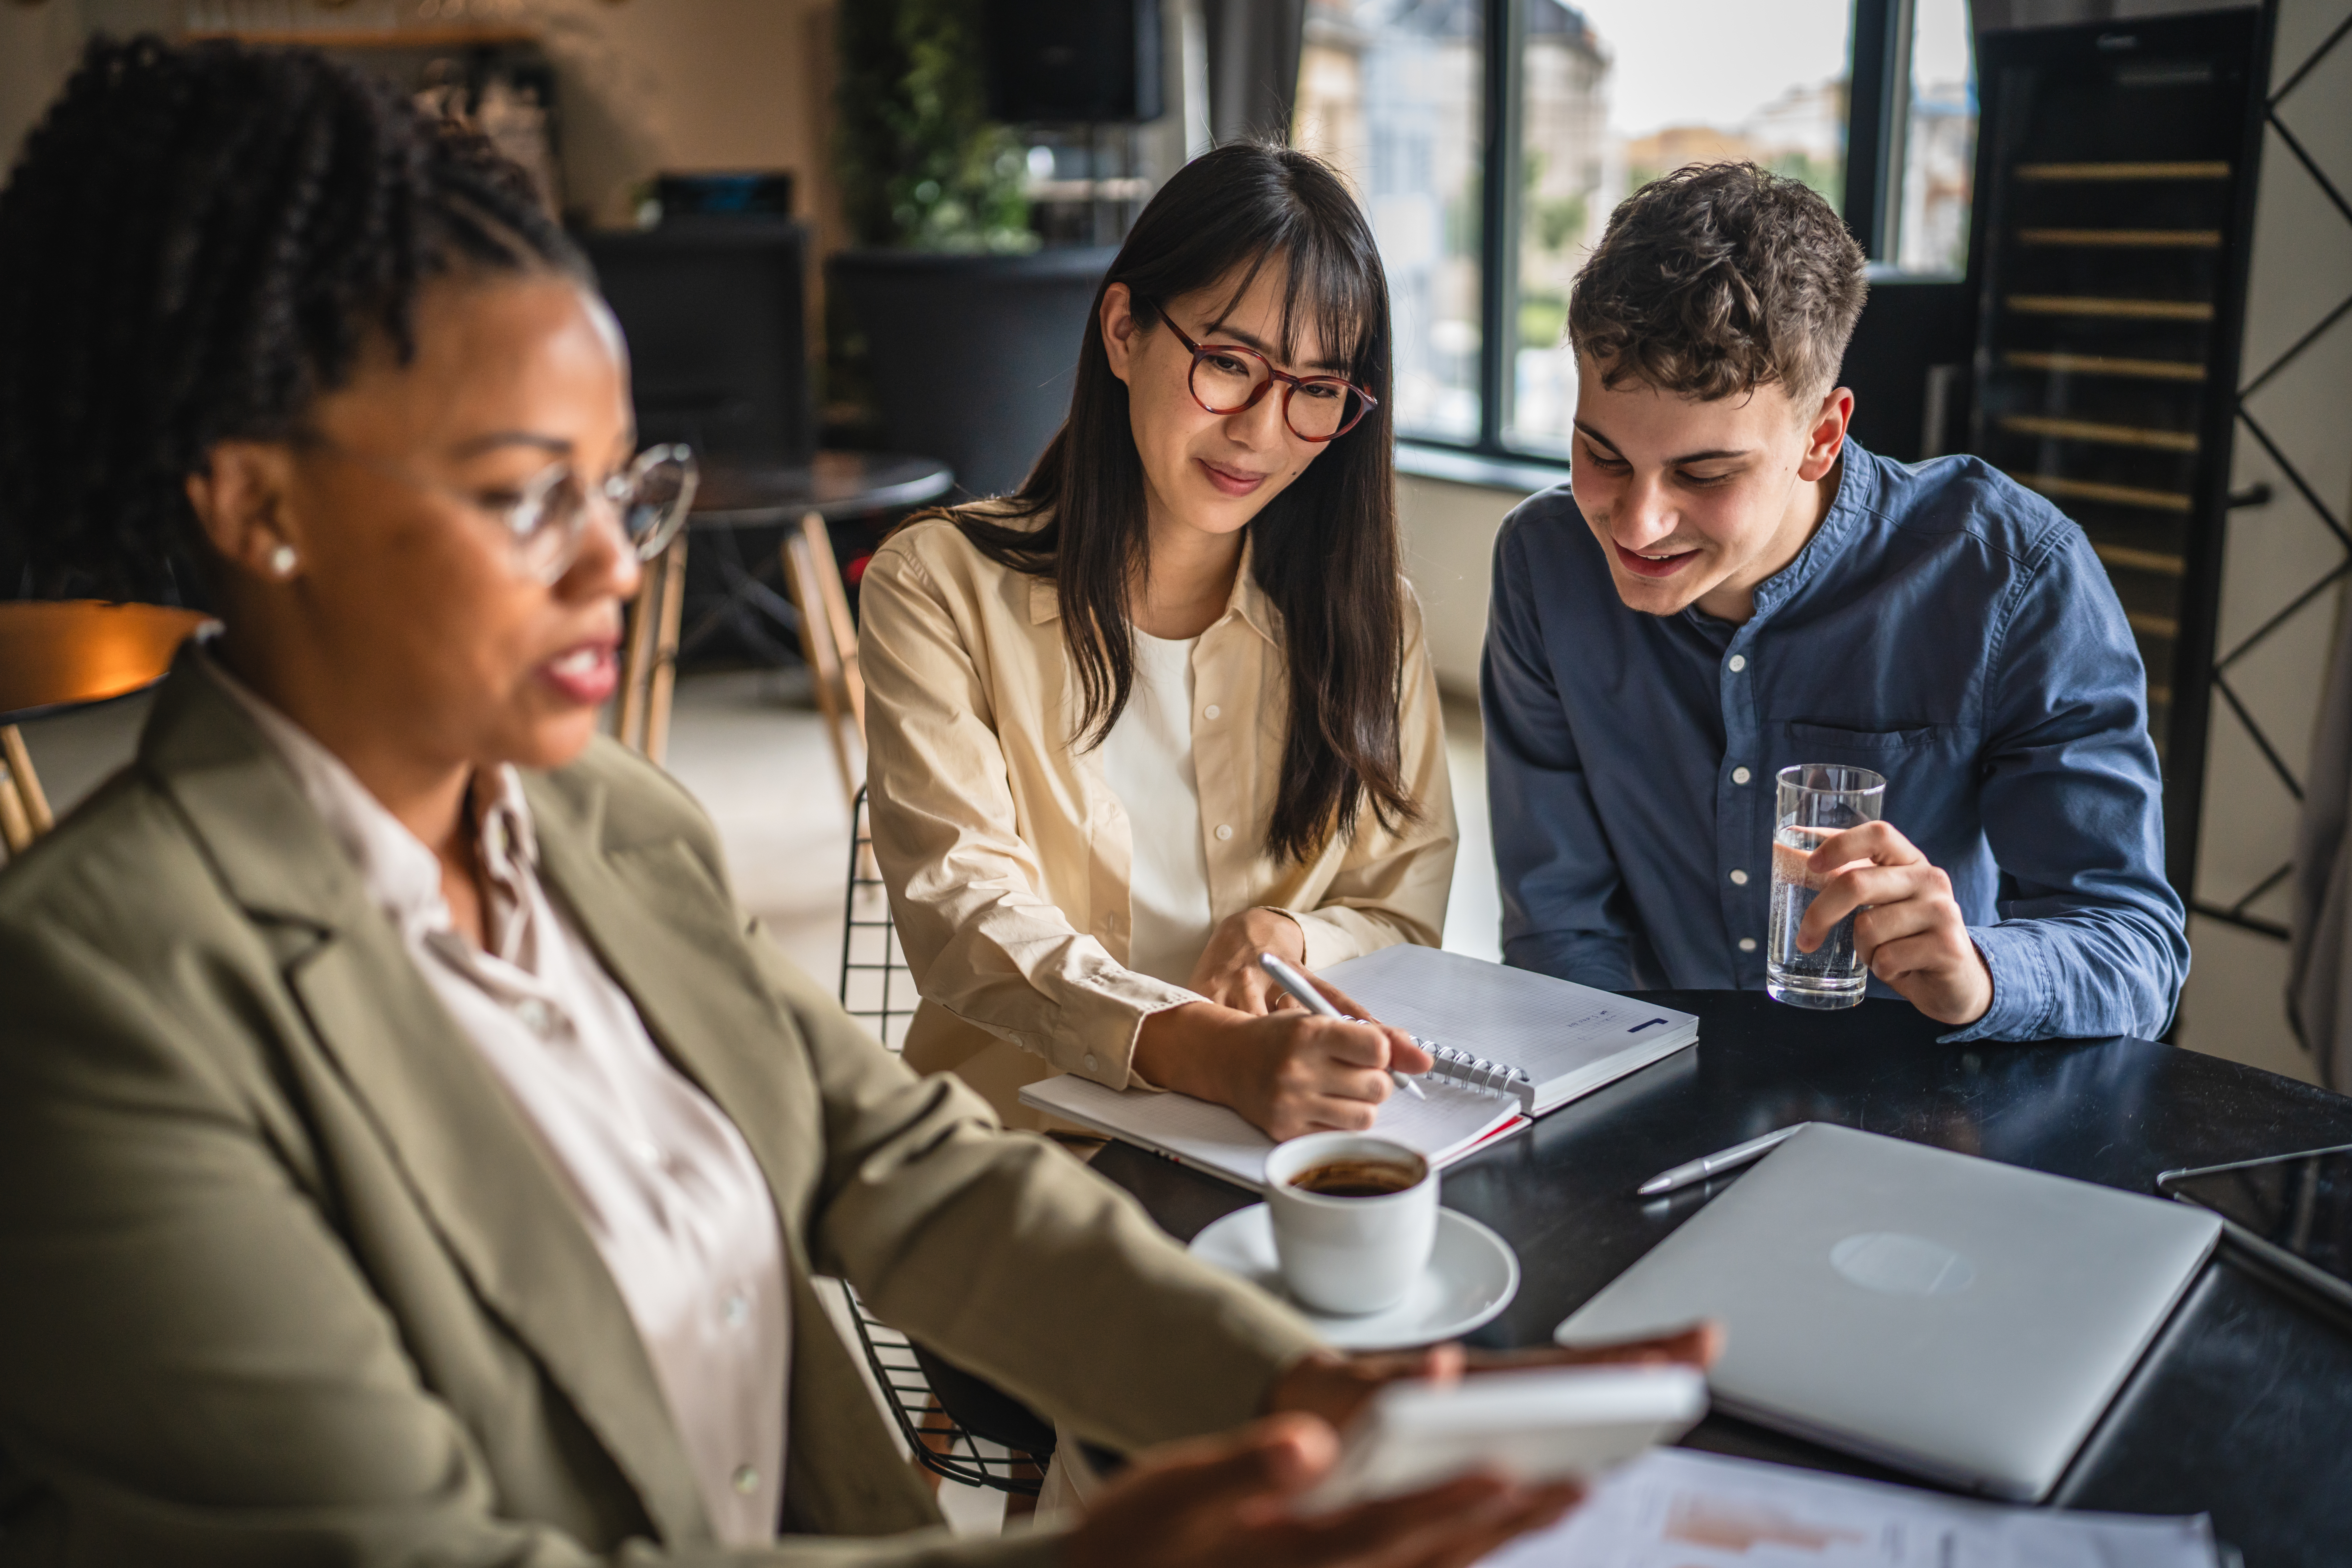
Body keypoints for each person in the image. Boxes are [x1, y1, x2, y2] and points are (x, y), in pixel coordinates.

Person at [0, 40, 1705, 1567]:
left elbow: (902, 1166)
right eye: (527, 497)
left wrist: (1314, 1405)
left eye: (623, 489)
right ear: (259, 508)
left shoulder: (611, 825)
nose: (619, 572)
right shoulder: (91, 1001)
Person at [1482, 164, 2188, 1041]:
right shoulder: (1545, 563)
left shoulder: (2010, 576)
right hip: (1652, 1077)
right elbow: (1558, 929)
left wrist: (1979, 974)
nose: (1637, 522)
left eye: (1704, 473)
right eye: (1603, 456)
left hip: (1928, 1092)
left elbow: (2134, 952)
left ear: (1821, 437)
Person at [859, 143, 1457, 1141]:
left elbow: (1404, 910)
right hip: (1021, 1155)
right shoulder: (937, 585)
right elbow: (963, 911)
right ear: (1124, 331)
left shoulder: (1371, 619)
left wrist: (1294, 936)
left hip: (1272, 1148)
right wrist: (1209, 1052)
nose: (1261, 431)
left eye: (1316, 388)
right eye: (1228, 364)